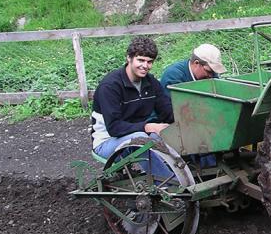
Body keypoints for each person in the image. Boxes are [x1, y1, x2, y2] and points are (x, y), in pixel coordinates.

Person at [91, 36, 175, 179]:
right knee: (141, 139)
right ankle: (171, 185)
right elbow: (114, 128)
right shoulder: (110, 86)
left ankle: (190, 175)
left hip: (138, 135)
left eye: (149, 62)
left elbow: (167, 112)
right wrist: (148, 127)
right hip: (107, 143)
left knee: (171, 134)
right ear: (129, 58)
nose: (145, 66)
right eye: (140, 60)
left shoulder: (150, 83)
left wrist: (187, 120)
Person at [160, 43, 227, 89]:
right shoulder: (173, 76)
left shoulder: (212, 75)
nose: (211, 75)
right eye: (208, 71)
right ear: (196, 63)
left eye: (214, 72)